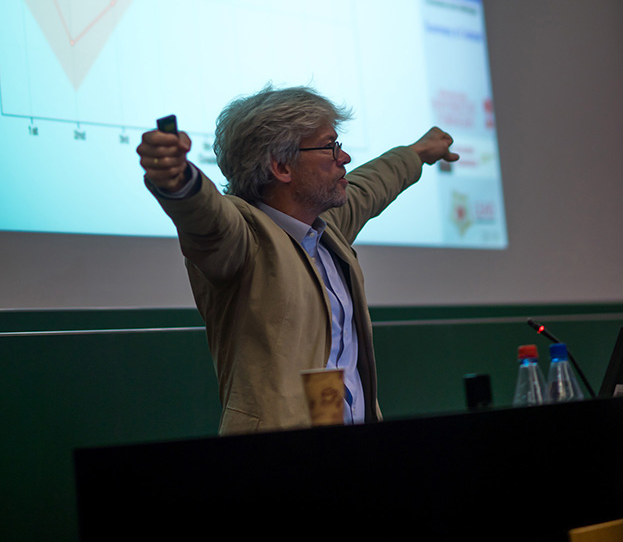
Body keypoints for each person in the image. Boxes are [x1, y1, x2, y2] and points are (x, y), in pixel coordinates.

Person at [137, 84, 458, 434]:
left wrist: (418, 152)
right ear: (281, 166)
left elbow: (371, 184)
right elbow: (206, 217)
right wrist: (179, 181)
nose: (344, 157)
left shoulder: (326, 229)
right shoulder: (243, 236)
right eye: (329, 146)